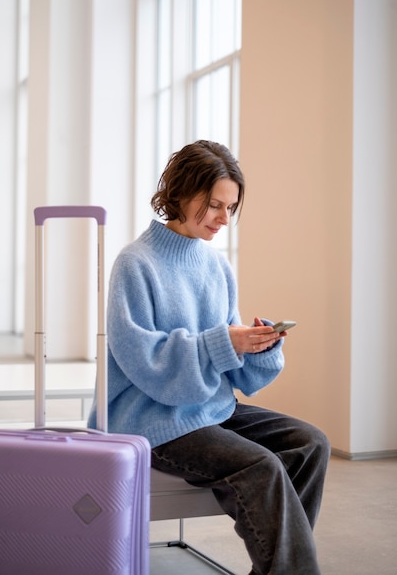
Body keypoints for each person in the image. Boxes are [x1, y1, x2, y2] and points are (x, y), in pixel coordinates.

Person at [88, 140, 330, 575]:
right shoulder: (134, 263)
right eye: (214, 205)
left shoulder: (217, 267)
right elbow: (144, 359)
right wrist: (224, 342)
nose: (223, 219)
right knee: (262, 467)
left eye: (230, 208)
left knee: (310, 444)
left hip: (211, 409)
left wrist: (257, 344)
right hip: (151, 418)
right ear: (180, 193)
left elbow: (231, 363)